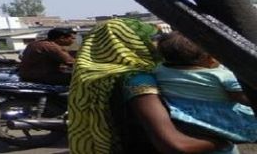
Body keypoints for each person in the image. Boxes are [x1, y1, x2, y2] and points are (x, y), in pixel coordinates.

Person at [69, 18, 236, 154]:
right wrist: (226, 140)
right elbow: (175, 145)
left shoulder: (94, 77)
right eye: (150, 40)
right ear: (135, 43)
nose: (156, 46)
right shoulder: (138, 79)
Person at [152, 31, 257, 143]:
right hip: (221, 121)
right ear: (210, 58)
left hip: (185, 120)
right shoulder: (221, 75)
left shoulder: (160, 70)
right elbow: (244, 99)